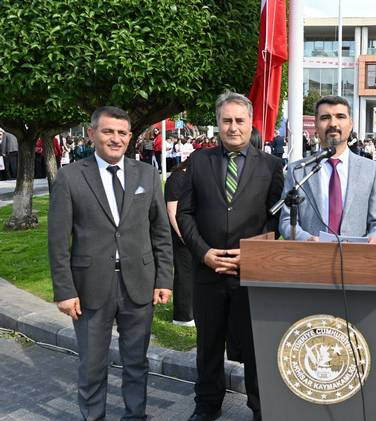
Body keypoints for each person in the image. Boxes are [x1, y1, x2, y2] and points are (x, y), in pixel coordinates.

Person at [48, 106, 173, 420]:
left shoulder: (147, 174)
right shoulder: (70, 177)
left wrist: (164, 279)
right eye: (108, 132)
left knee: (137, 363)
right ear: (92, 134)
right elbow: (58, 241)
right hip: (90, 287)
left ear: (130, 137)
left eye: (121, 133)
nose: (115, 139)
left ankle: (135, 416)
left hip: (139, 284)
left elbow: (160, 231)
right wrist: (64, 290)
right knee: (92, 365)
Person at [177, 91, 284, 421]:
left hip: (250, 273)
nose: (233, 127)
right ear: (218, 123)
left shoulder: (272, 166)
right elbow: (185, 213)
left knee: (255, 346)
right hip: (208, 272)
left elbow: (276, 218)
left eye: (239, 120)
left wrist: (252, 254)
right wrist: (204, 253)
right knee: (208, 345)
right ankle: (207, 404)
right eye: (227, 120)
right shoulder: (199, 162)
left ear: (251, 123)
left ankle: (260, 408)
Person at [279, 95, 376, 243]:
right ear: (316, 125)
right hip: (311, 254)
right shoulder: (298, 171)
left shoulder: (370, 170)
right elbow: (286, 220)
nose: (333, 123)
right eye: (325, 117)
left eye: (340, 117)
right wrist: (306, 240)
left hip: (357, 255)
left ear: (350, 125)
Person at [164, 159, 194, 327]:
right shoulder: (177, 178)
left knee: (192, 274)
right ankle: (182, 316)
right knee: (184, 275)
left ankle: (192, 311)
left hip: (192, 234)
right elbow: (172, 211)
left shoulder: (192, 177)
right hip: (181, 235)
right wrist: (183, 236)